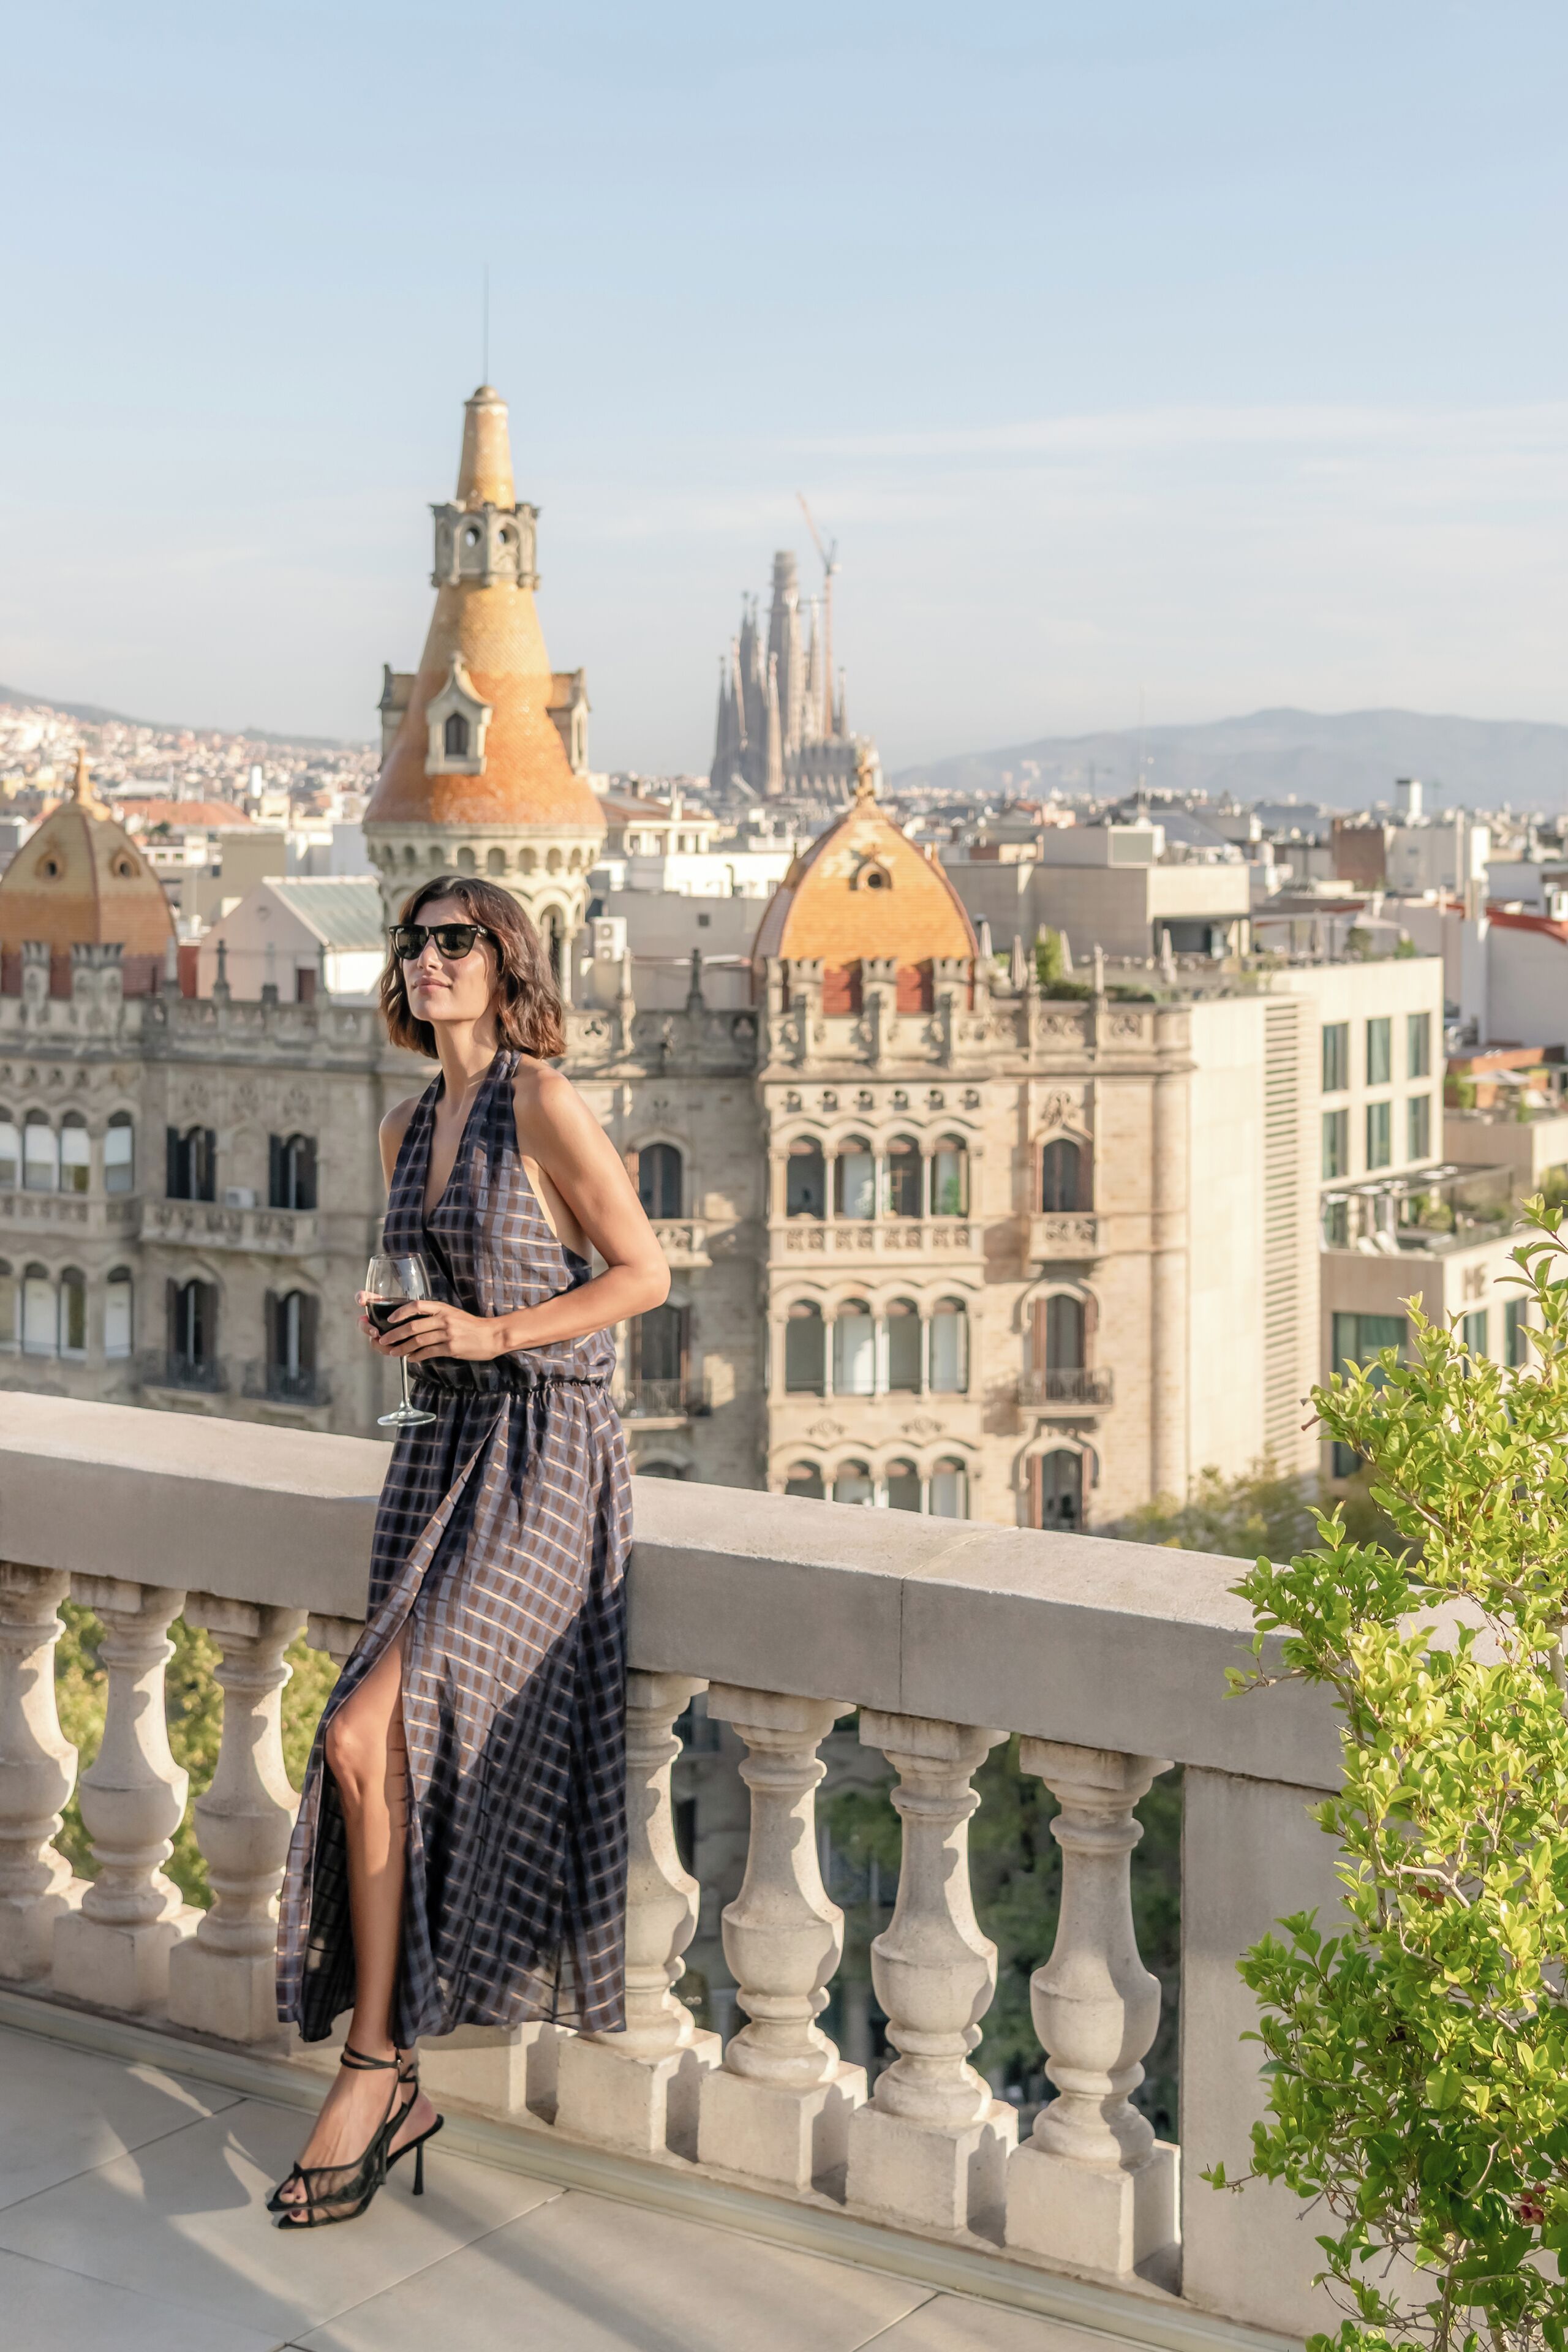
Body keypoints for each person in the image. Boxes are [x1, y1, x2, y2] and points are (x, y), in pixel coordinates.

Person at [269, 876, 668, 2227]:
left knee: (371, 1726)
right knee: (357, 1745)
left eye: (458, 943)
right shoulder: (403, 1124)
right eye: (416, 943)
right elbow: (415, 1277)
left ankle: (375, 2067)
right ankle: (388, 2069)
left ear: (506, 966)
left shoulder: (541, 1098)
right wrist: (411, 1329)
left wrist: (494, 1334)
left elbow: (642, 1273)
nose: (429, 961)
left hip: (550, 1460)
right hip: (439, 1449)